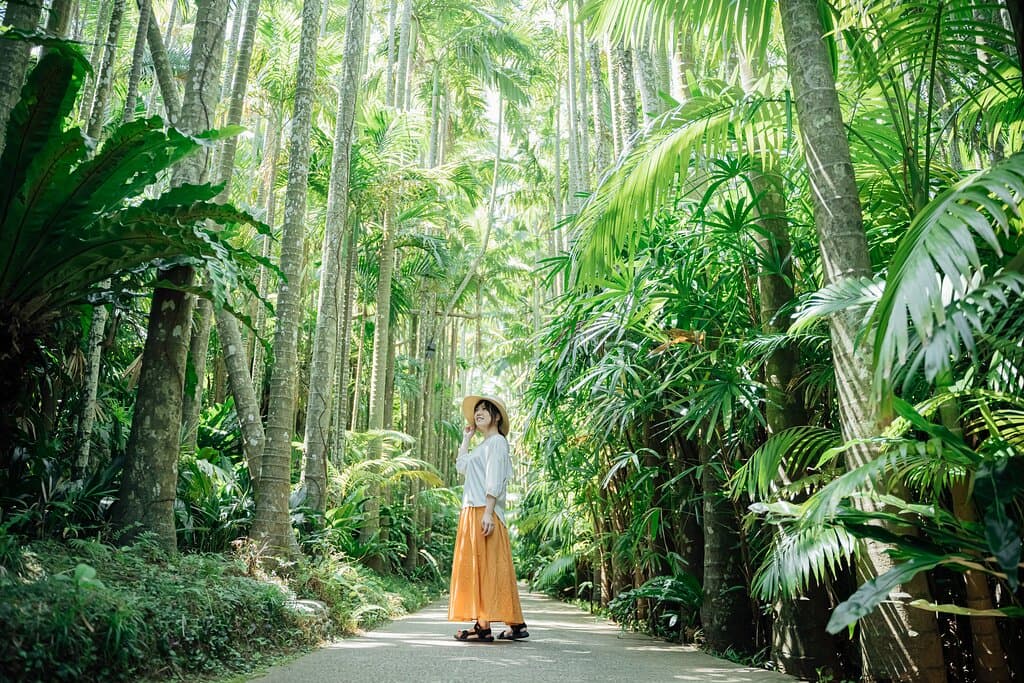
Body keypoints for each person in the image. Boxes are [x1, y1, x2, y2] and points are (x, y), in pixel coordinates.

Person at [449, 395, 529, 642]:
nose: (478, 413)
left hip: (485, 510)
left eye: (485, 410)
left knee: (492, 567)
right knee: (481, 568)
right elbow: (461, 466)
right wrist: (466, 437)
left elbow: (495, 478)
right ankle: (487, 625)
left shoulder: (496, 443)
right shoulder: (482, 446)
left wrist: (488, 512)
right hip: (472, 510)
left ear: (496, 417)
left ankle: (504, 624)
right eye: (476, 411)